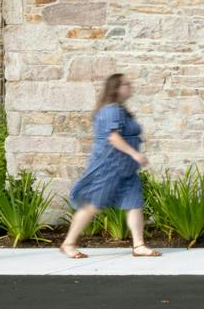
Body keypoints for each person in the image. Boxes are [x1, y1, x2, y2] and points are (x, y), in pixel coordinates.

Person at [59, 71, 159, 259]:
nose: (130, 87)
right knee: (93, 205)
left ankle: (139, 245)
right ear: (115, 89)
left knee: (134, 203)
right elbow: (113, 137)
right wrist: (135, 154)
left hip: (126, 169)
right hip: (109, 167)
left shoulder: (120, 110)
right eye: (125, 84)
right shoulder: (111, 110)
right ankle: (68, 243)